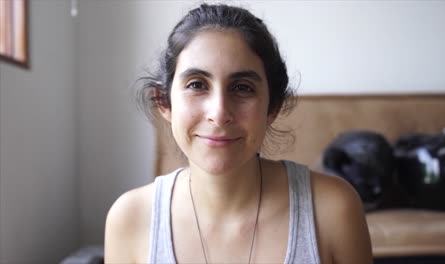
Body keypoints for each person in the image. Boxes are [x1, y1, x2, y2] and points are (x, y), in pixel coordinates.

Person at [105, 3, 372, 264]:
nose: (219, 113)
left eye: (242, 88)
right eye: (197, 84)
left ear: (273, 107)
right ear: (164, 101)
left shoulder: (333, 209)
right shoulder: (129, 218)